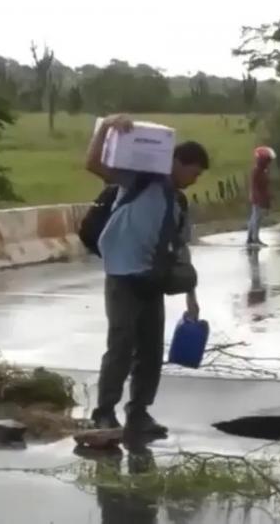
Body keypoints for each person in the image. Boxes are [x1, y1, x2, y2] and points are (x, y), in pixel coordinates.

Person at [84, 114, 209, 434]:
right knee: (120, 346)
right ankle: (103, 412)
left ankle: (139, 412)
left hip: (152, 281)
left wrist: (191, 299)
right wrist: (108, 126)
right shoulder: (139, 180)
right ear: (178, 161)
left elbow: (181, 249)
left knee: (151, 352)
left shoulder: (179, 202)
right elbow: (93, 164)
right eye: (192, 173)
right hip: (123, 277)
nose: (193, 181)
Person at [247, 146, 276, 246]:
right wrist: (260, 198)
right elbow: (256, 186)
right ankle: (255, 239)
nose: (269, 162)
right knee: (256, 218)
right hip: (258, 198)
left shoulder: (262, 170)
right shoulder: (257, 171)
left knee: (254, 218)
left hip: (259, 197)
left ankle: (251, 238)